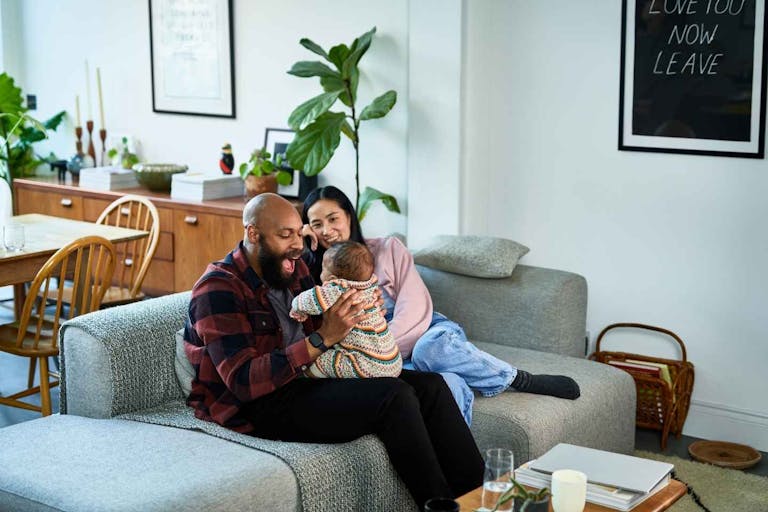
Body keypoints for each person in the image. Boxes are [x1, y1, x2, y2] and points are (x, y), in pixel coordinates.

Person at [183, 193, 483, 509]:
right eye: (286, 235)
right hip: (260, 404)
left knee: (432, 386)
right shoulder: (218, 288)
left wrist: (361, 308)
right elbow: (243, 381)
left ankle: (483, 501)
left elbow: (335, 286)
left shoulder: (292, 266)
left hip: (309, 379)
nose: (298, 245)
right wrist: (322, 339)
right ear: (253, 233)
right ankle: (440, 506)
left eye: (299, 233)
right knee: (394, 397)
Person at [302, 186, 580, 425]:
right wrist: (303, 249)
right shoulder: (316, 275)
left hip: (422, 331)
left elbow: (416, 306)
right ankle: (462, 480)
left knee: (429, 350)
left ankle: (518, 378)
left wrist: (381, 350)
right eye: (316, 224)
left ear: (348, 215)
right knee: (447, 385)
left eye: (332, 218)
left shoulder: (387, 248)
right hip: (380, 357)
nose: (327, 230)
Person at [289, 240, 402, 379]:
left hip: (365, 365)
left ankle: (306, 378)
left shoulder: (338, 289)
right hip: (393, 361)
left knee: (326, 360)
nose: (320, 271)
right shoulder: (370, 286)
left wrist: (297, 307)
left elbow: (311, 300)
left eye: (323, 268)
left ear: (332, 278)